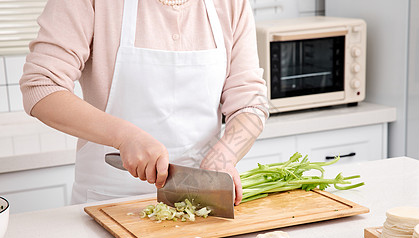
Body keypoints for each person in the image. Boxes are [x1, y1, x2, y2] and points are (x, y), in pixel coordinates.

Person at [20, 0, 269, 205]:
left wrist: (225, 156)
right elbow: (41, 86)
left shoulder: (231, 4)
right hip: (107, 203)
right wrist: (124, 137)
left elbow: (250, 101)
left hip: (200, 202)